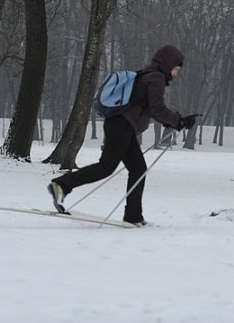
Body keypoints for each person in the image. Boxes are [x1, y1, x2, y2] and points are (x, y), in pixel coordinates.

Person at [47, 44, 197, 226]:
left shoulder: (147, 74)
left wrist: (176, 121)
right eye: (175, 68)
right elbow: (157, 109)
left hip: (122, 126)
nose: (175, 73)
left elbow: (149, 108)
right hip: (121, 126)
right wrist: (179, 121)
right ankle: (61, 184)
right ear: (168, 64)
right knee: (106, 167)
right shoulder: (156, 78)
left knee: (138, 169)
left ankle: (133, 216)